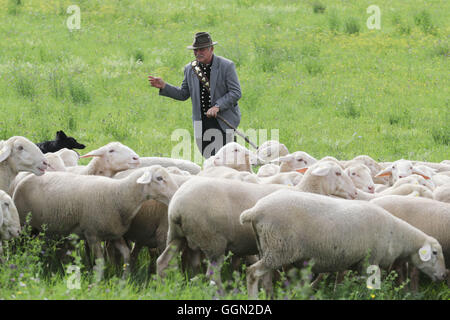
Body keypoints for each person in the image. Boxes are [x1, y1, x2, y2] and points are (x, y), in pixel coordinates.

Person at [148, 32, 242, 158]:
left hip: (223, 121)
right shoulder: (190, 69)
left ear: (211, 49)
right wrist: (165, 86)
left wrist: (218, 106)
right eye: (195, 50)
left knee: (229, 159)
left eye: (202, 49)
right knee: (210, 160)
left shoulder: (226, 66)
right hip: (201, 123)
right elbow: (183, 94)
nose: (198, 53)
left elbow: (236, 92)